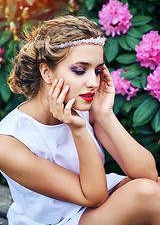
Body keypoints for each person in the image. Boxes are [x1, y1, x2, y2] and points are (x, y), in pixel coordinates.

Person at [0, 15, 160, 225]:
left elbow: (147, 173)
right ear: (46, 72)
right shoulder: (8, 142)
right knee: (147, 194)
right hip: (54, 221)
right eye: (80, 70)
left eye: (98, 71)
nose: (93, 82)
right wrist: (78, 129)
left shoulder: (85, 108)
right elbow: (93, 197)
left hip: (92, 206)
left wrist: (105, 114)